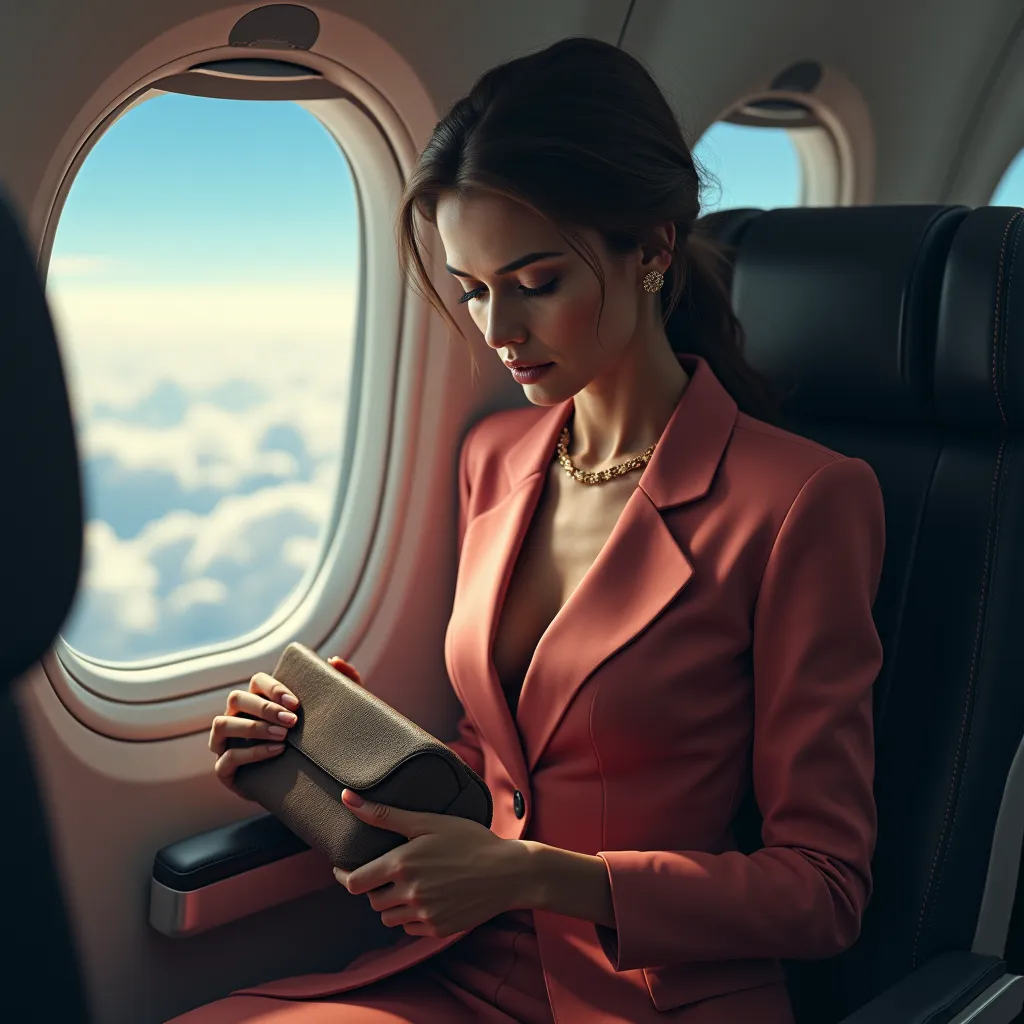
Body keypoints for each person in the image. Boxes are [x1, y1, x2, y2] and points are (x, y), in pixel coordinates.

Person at [171, 35, 884, 1024]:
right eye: (470, 288)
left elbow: (823, 889)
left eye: (535, 281)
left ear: (652, 251)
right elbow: (508, 769)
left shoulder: (804, 500)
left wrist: (533, 876)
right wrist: (327, 753)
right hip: (457, 969)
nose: (497, 327)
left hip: (648, 997)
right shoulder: (495, 456)